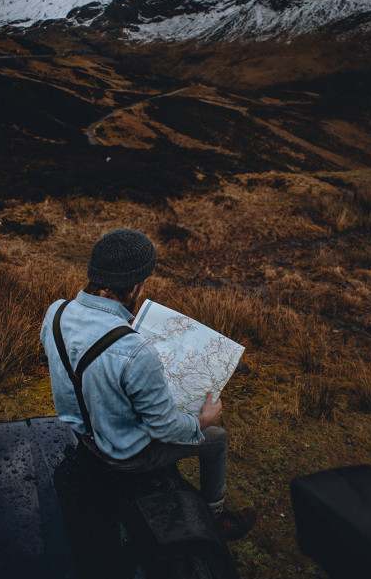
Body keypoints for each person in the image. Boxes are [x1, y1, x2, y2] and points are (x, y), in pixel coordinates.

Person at [40, 227, 256, 541]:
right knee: (217, 439)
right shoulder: (135, 350)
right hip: (126, 456)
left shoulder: (55, 313)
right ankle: (215, 516)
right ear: (135, 286)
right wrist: (202, 421)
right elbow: (165, 428)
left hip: (84, 436)